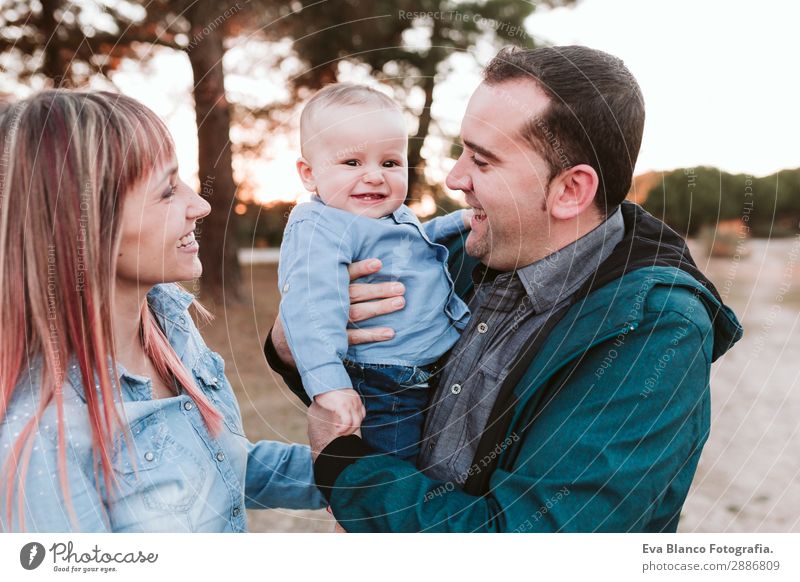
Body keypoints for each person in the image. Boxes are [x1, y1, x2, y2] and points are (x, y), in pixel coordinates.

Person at [265, 45, 744, 532]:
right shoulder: (457, 256)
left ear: (570, 190)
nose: (454, 177)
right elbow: (386, 390)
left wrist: (347, 470)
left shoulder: (654, 332)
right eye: (461, 150)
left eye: (483, 160)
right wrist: (290, 347)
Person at [0, 90, 325, 533]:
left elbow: (219, 466)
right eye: (168, 191)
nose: (200, 205)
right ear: (89, 225)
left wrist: (364, 478)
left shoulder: (171, 328)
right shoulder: (39, 438)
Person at [277, 83, 471, 462]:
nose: (374, 176)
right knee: (390, 475)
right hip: (384, 382)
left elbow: (410, 247)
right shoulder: (321, 226)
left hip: (425, 371)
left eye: (390, 163)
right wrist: (329, 385)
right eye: (352, 163)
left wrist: (454, 223)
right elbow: (310, 309)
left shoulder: (388, 216)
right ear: (309, 174)